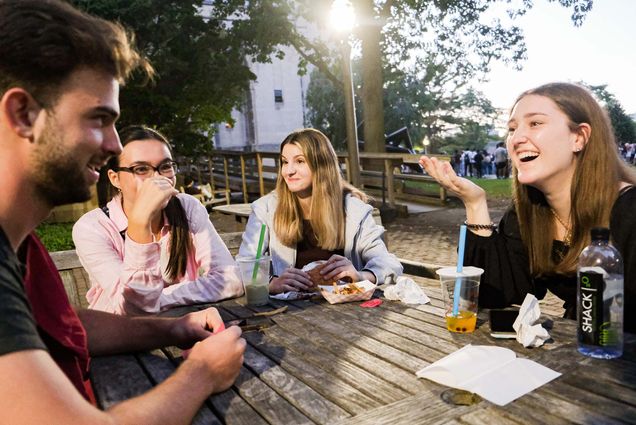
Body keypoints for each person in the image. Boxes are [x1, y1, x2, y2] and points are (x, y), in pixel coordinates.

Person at [0, 1, 245, 423]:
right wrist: (201, 373)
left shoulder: (23, 245)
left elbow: (68, 325)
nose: (114, 146)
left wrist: (172, 327)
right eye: (99, 118)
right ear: (24, 114)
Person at [419, 82, 636, 333]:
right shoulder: (528, 212)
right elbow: (500, 295)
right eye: (512, 128)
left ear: (579, 137)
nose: (517, 139)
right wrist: (474, 203)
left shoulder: (629, 212)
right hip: (580, 349)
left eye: (535, 123)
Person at [73, 126, 243, 314]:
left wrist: (157, 299)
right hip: (121, 337)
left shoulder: (187, 207)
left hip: (183, 326)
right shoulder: (92, 228)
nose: (157, 178)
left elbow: (229, 278)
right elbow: (132, 308)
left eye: (165, 166)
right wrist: (140, 222)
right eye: (141, 169)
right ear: (115, 179)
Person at [239, 128, 402, 294]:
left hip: (348, 309)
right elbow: (246, 264)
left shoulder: (354, 211)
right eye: (285, 162)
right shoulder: (265, 209)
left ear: (322, 165)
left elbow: (388, 263)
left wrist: (360, 276)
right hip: (290, 311)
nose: (289, 171)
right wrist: (271, 284)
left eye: (300, 161)